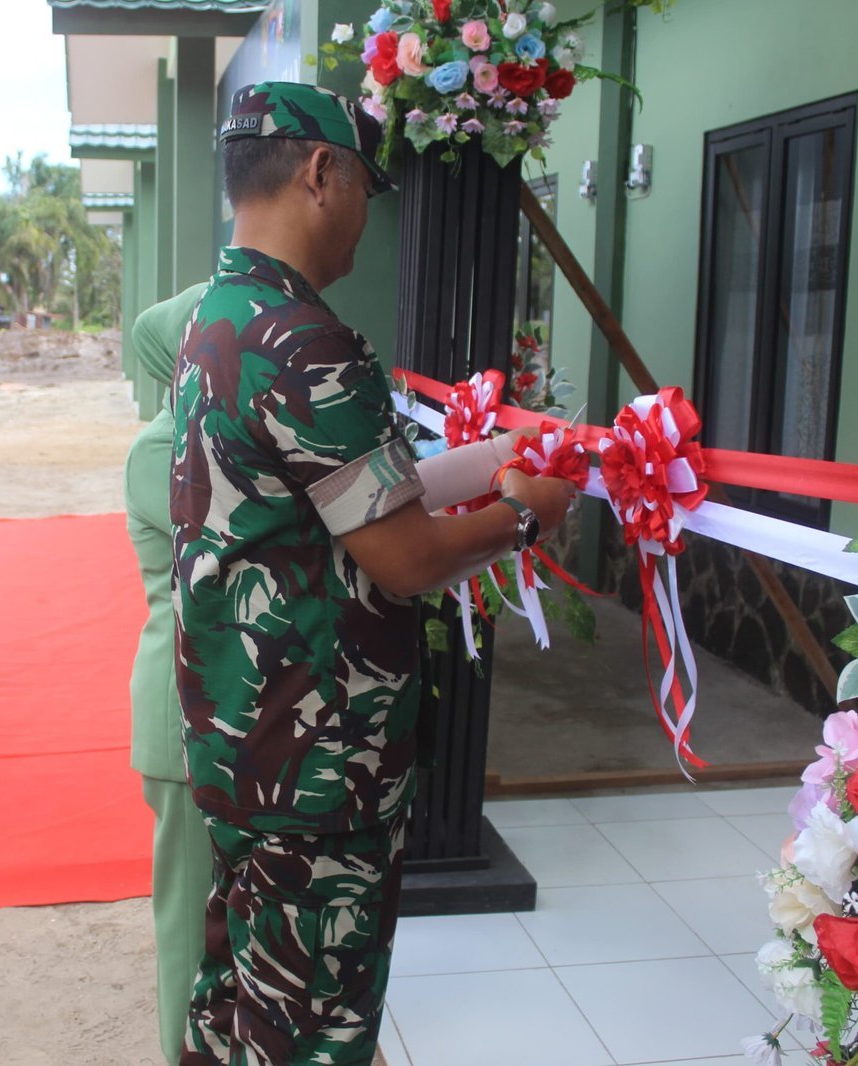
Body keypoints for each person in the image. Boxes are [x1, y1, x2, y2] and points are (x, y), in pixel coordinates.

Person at [170, 83, 577, 1065]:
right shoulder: (303, 339)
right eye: (363, 183)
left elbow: (350, 498)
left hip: (243, 737)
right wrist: (527, 512)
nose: (364, 212)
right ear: (321, 172)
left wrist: (487, 460)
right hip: (319, 761)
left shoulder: (222, 317)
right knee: (310, 1025)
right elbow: (404, 555)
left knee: (241, 994)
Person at [122, 282, 214, 1063]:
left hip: (218, 706)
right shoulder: (162, 447)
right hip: (182, 708)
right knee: (188, 919)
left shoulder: (207, 436)